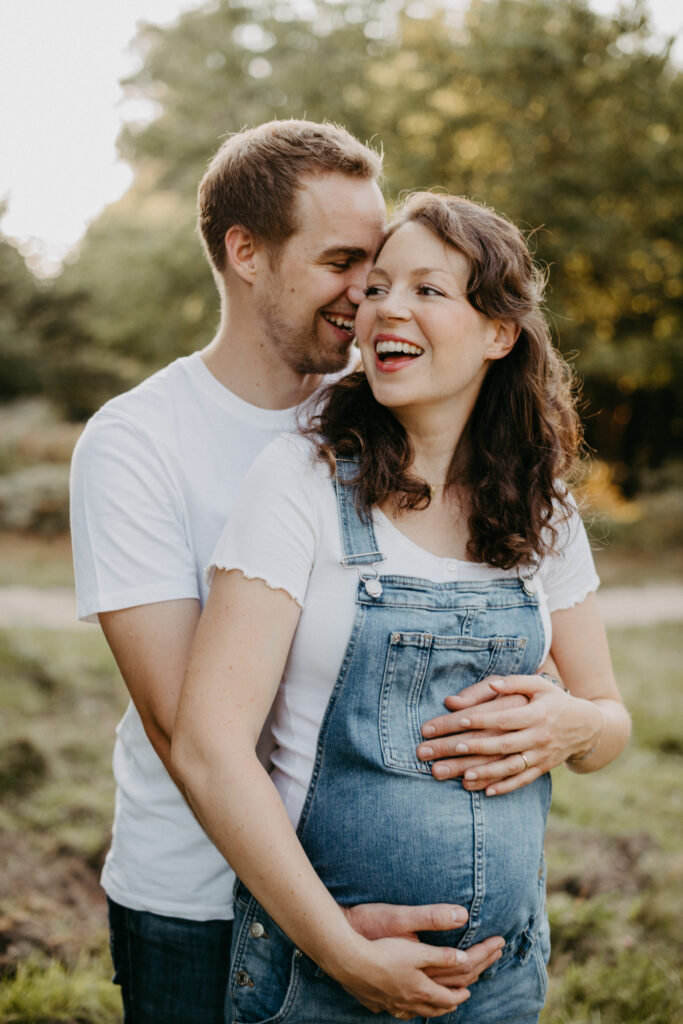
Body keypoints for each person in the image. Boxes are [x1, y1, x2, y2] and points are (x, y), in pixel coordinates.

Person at [70, 123, 506, 1024]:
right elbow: (181, 724)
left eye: (378, 262)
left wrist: (565, 714)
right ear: (246, 253)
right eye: (344, 260)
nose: (370, 294)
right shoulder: (136, 441)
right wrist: (328, 930)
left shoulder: (385, 406)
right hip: (200, 905)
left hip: (377, 900)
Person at [173, 192, 631, 1023]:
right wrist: (341, 953)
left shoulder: (541, 507)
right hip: (324, 980)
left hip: (504, 978)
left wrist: (575, 725)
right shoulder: (300, 482)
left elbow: (608, 720)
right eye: (378, 286)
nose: (385, 306)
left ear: (499, 332)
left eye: (428, 289)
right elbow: (209, 747)